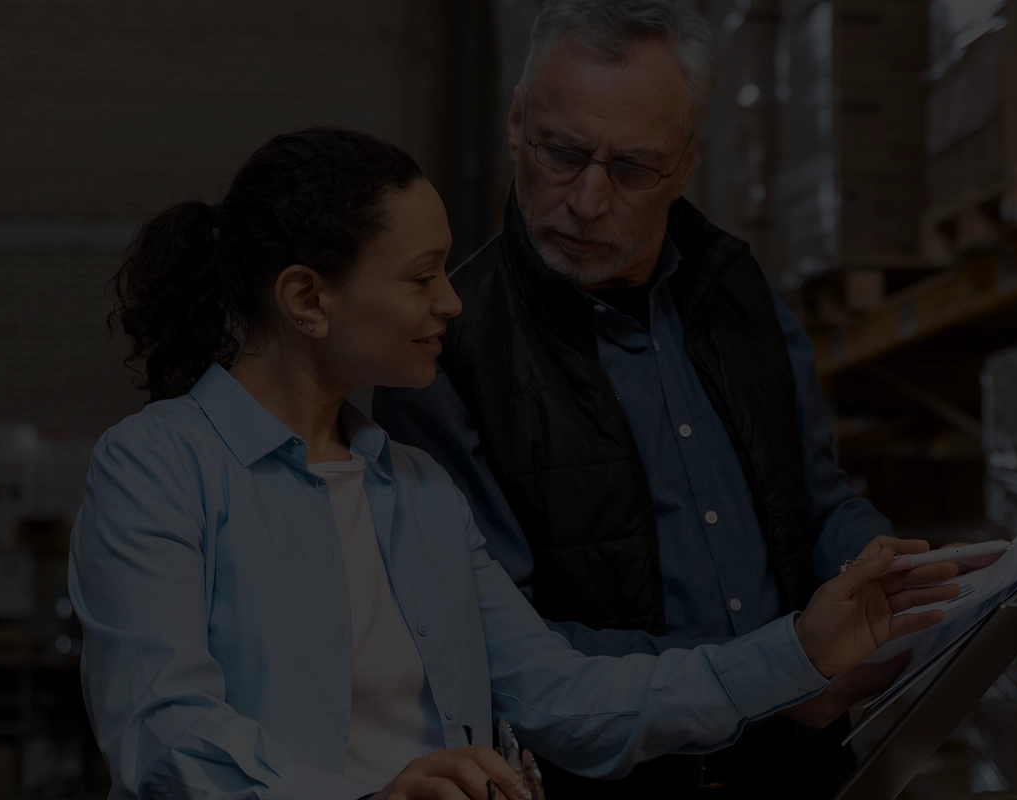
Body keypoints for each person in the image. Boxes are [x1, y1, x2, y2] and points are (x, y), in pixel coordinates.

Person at [72, 126, 957, 800]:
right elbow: (160, 730)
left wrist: (801, 649)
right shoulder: (157, 470)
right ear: (307, 298)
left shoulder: (417, 494)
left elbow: (567, 696)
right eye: (421, 277)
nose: (452, 301)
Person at [370, 2, 958, 796]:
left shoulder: (738, 290)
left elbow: (817, 501)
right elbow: (502, 646)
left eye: (633, 168)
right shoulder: (448, 352)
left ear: (686, 163)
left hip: (799, 773)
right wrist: (777, 677)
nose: (585, 200)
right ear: (516, 123)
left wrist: (879, 579)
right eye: (562, 152)